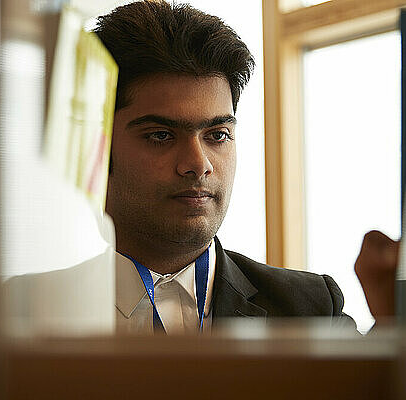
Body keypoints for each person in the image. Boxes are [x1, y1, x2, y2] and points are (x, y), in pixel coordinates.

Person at [94, 1, 357, 335]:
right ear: (98, 145)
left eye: (217, 135)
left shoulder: (312, 309)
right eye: (161, 136)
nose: (198, 164)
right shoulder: (21, 312)